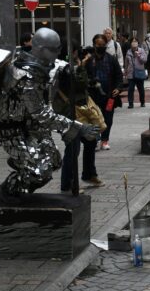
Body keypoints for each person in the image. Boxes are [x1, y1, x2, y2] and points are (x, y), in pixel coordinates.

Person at [0, 28, 99, 200]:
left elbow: (60, 68)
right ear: (41, 49)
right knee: (39, 172)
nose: (59, 53)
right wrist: (78, 128)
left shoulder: (45, 65)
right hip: (15, 131)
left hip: (35, 128)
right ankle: (9, 191)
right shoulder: (24, 76)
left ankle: (22, 165)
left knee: (55, 162)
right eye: (55, 49)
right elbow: (41, 114)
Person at [52, 40, 104, 193]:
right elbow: (79, 83)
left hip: (78, 109)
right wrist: (82, 65)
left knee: (91, 139)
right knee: (73, 147)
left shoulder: (68, 65)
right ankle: (67, 184)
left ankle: (89, 174)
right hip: (69, 111)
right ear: (72, 52)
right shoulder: (64, 67)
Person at [86, 33, 123, 151]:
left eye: (103, 45)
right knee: (94, 118)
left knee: (108, 118)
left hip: (110, 96)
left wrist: (118, 88)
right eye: (98, 45)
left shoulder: (111, 59)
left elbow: (119, 75)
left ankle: (105, 140)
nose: (101, 47)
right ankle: (96, 139)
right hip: (93, 96)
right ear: (94, 45)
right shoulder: (89, 60)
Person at [124, 37, 148, 108]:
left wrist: (139, 56)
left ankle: (142, 102)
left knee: (141, 89)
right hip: (131, 73)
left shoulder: (142, 50)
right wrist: (125, 71)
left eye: (135, 41)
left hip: (139, 72)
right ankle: (130, 103)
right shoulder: (128, 52)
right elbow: (126, 62)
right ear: (130, 43)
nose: (134, 43)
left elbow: (144, 60)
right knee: (130, 89)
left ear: (138, 43)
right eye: (132, 41)